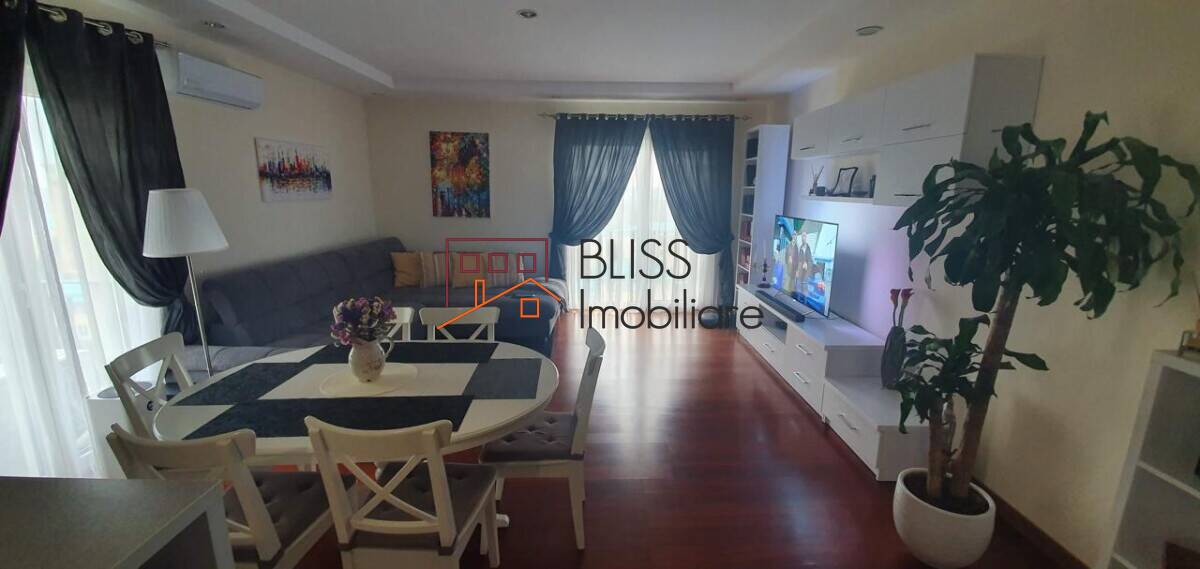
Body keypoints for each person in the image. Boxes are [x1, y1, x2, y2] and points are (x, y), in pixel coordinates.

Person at [795, 232, 815, 297]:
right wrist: (797, 271)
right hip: (800, 272)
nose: (803, 238)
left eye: (804, 236)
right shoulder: (800, 248)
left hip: (806, 273)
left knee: (804, 288)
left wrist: (807, 264)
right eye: (802, 236)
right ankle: (797, 300)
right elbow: (798, 260)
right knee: (798, 286)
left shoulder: (808, 249)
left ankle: (804, 300)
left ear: (806, 237)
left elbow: (811, 261)